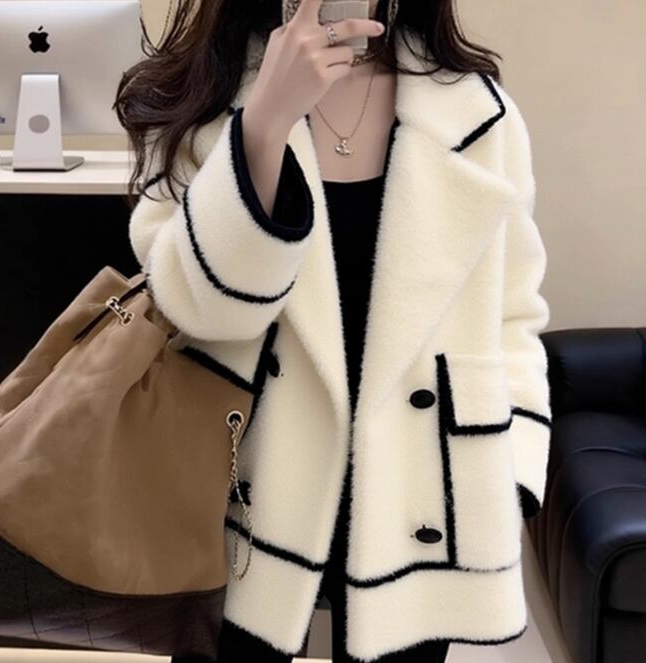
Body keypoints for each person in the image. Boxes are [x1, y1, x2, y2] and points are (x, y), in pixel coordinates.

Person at [115, 0, 552, 661]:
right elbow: (201, 311)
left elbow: (513, 313)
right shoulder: (197, 99)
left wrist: (511, 471)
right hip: (241, 490)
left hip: (420, 492)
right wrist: (264, 123)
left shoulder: (477, 113)